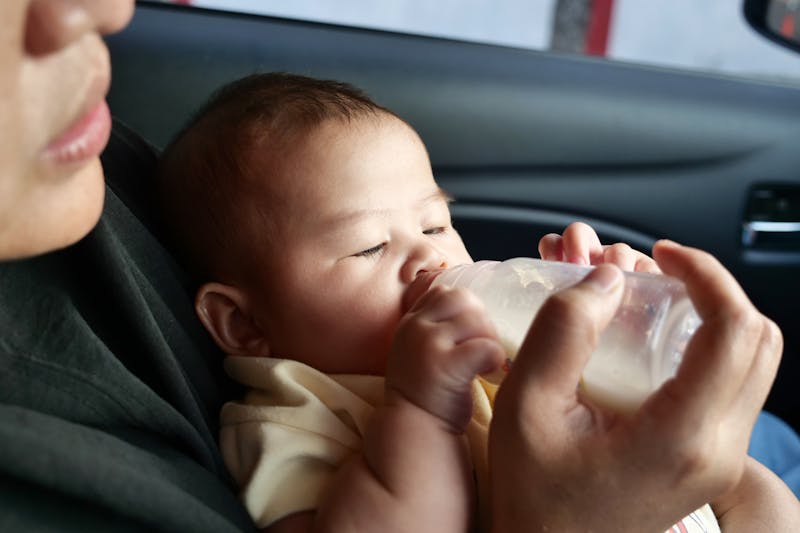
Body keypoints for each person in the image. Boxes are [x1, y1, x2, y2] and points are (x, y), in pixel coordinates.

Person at [156, 72, 800, 532]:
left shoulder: (493, 344)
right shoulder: (295, 417)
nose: (432, 260)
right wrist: (421, 415)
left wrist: (613, 332)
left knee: (777, 444)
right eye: (368, 247)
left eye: (435, 225)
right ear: (244, 323)